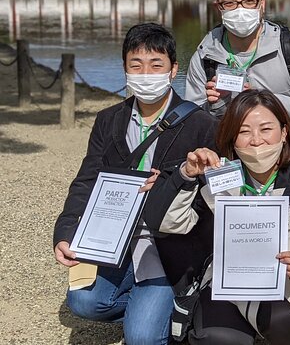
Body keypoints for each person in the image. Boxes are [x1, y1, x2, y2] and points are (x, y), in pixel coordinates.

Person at [53, 23, 218, 345]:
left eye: (156, 65)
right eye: (136, 65)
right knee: (84, 303)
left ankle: (166, 306)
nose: (146, 74)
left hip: (168, 245)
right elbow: (87, 179)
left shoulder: (201, 124)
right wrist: (66, 231)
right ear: (125, 69)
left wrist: (168, 187)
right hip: (117, 239)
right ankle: (156, 309)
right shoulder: (109, 120)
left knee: (142, 338)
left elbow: (209, 202)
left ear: (173, 70)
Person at [143, 89, 290, 345]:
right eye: (244, 131)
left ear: (284, 132)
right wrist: (186, 174)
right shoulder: (217, 174)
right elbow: (166, 223)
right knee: (217, 336)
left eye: (266, 129)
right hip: (227, 282)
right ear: (232, 137)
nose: (256, 140)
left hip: (288, 285)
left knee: (285, 324)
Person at [185, 0, 290, 149]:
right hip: (231, 157)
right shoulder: (205, 55)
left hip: (289, 155)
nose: (240, 9)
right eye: (230, 3)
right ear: (218, 7)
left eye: (249, 1)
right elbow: (192, 121)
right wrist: (216, 104)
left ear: (262, 4)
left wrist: (260, 99)